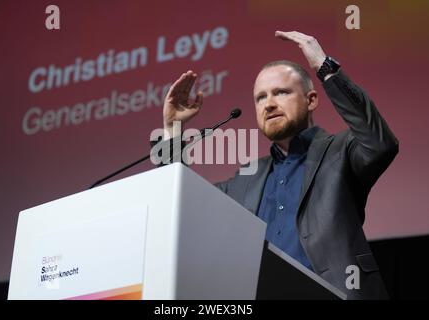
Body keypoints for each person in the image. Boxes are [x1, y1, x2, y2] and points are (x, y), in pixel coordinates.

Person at [158, 31, 399, 299]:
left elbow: (380, 142)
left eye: (281, 92)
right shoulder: (245, 179)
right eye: (260, 98)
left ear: (311, 100)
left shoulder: (340, 151)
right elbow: (185, 203)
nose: (269, 104)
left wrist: (326, 68)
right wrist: (172, 130)